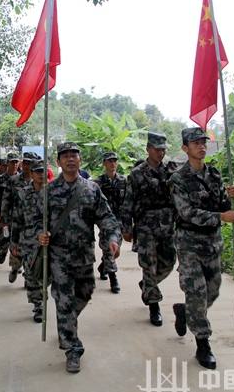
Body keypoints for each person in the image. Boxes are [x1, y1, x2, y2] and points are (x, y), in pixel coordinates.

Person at [37, 141, 121, 373]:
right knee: (64, 301)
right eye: (65, 156)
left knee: (85, 293)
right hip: (59, 257)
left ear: (80, 160)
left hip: (84, 256)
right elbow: (35, 220)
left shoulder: (91, 189)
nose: (70, 159)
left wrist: (112, 237)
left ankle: (67, 324)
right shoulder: (49, 191)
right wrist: (39, 235)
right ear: (59, 161)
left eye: (74, 155)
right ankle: (72, 348)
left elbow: (106, 217)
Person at [169, 127, 234, 370]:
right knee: (197, 293)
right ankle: (202, 342)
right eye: (195, 143)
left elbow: (222, 205)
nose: (201, 146)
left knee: (213, 291)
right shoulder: (178, 179)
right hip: (189, 244)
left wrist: (230, 197)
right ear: (185, 148)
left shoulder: (214, 175)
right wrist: (221, 216)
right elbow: (187, 212)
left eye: (203, 142)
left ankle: (184, 311)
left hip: (212, 243)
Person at [121, 132, 177, 327]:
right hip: (146, 226)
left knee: (169, 262)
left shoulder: (171, 171)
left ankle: (147, 284)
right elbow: (128, 201)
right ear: (148, 149)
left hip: (167, 225)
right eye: (157, 149)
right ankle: (154, 304)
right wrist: (126, 227)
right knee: (148, 264)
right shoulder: (137, 173)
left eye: (163, 149)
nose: (161, 152)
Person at [11, 159, 45, 323]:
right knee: (32, 275)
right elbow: (17, 220)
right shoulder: (23, 194)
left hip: (49, 241)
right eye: (37, 171)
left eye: (43, 171)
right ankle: (38, 306)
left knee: (49, 274)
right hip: (29, 241)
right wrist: (14, 242)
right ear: (31, 174)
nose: (41, 174)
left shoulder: (53, 193)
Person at [1, 152, 37, 283]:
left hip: (33, 223)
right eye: (25, 163)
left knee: (31, 251)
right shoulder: (13, 181)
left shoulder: (39, 181)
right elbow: (6, 201)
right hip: (16, 221)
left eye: (30, 163)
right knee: (16, 248)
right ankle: (15, 268)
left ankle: (28, 276)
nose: (27, 166)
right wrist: (4, 220)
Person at [93, 151, 126, 293]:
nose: (113, 163)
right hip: (105, 220)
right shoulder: (98, 182)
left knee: (116, 247)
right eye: (110, 161)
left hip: (120, 220)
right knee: (109, 247)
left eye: (115, 161)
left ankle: (103, 267)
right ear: (104, 163)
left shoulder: (123, 181)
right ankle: (113, 278)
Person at [0, 152, 20, 264]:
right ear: (7, 163)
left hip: (18, 215)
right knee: (5, 236)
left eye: (16, 162)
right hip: (5, 213)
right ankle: (3, 250)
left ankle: (15, 265)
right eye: (12, 162)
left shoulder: (22, 178)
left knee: (17, 239)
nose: (14, 164)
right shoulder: (0, 179)